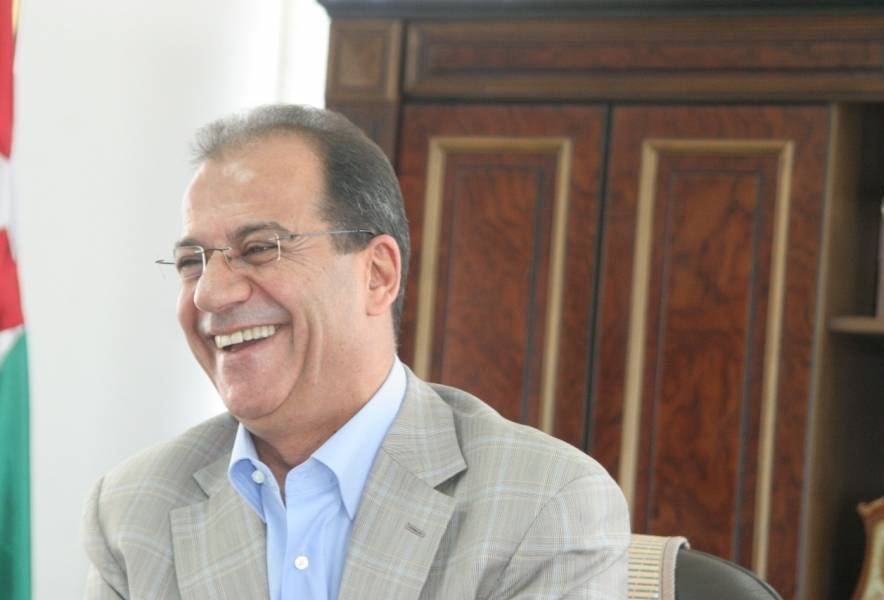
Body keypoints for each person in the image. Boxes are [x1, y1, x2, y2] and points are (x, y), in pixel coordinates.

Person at [81, 105, 630, 599]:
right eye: (191, 262)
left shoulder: (543, 505)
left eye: (259, 248)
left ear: (377, 275)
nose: (209, 293)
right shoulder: (132, 510)